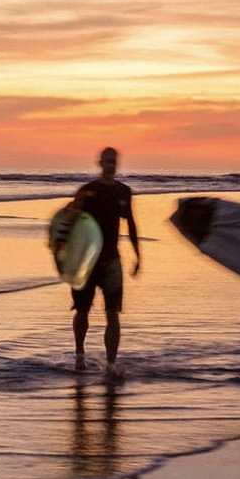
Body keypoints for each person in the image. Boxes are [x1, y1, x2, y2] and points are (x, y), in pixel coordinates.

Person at [67, 147, 141, 373]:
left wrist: (139, 255)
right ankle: (80, 355)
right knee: (82, 310)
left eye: (113, 161)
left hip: (111, 260)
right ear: (100, 163)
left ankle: (111, 362)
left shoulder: (123, 192)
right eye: (107, 161)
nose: (110, 165)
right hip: (86, 261)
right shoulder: (87, 191)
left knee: (113, 312)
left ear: (116, 164)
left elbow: (131, 224)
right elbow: (68, 221)